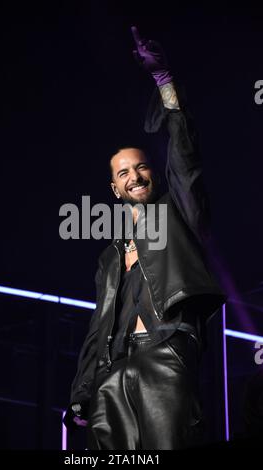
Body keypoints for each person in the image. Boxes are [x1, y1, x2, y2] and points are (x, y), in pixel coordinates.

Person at [63, 26, 226, 450]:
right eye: (123, 173)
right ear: (114, 189)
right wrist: (82, 390)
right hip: (112, 365)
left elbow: (184, 155)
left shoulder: (179, 213)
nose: (134, 176)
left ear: (153, 173)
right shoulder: (109, 256)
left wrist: (163, 81)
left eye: (141, 167)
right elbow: (98, 323)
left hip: (166, 347)